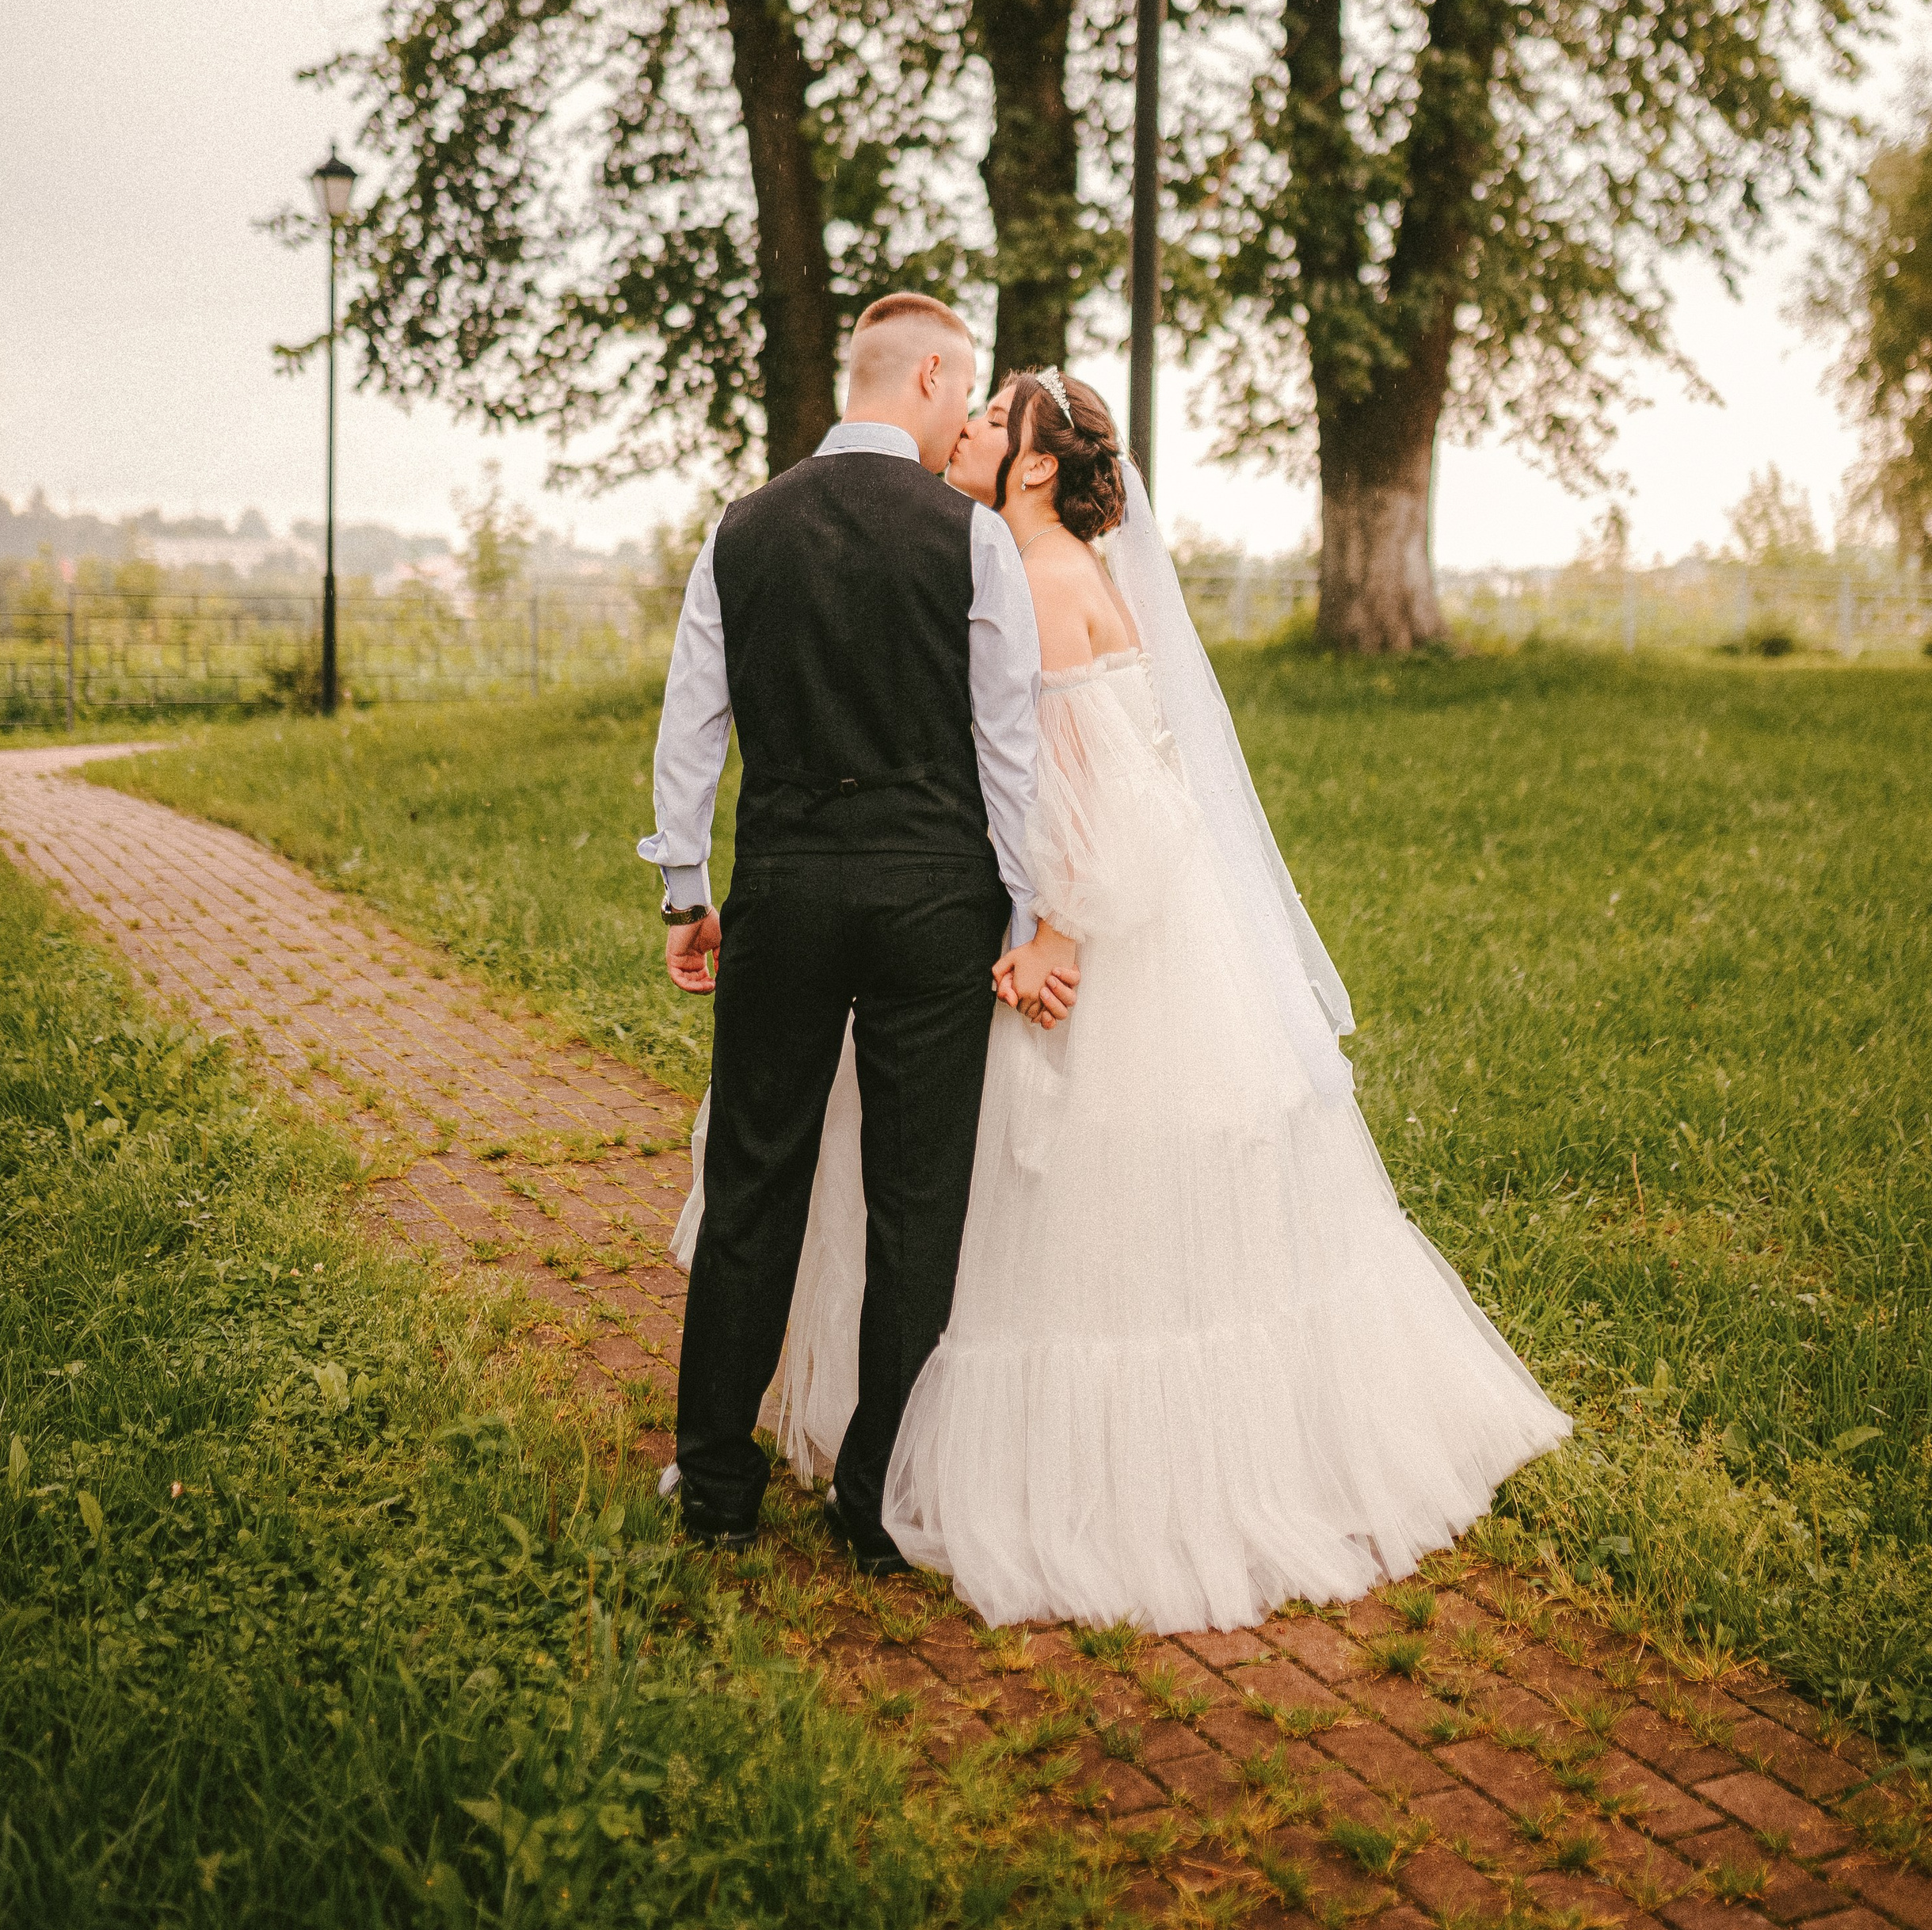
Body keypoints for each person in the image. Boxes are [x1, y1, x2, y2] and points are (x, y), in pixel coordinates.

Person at [673, 364, 1570, 1632]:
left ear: (1037, 465)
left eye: (993, 422)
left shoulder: (1034, 578)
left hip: (1075, 927)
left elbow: (1073, 782)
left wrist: (1056, 930)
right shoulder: (1067, 572)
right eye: (972, 410)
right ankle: (888, 1472)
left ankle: (977, 1472)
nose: (970, 429)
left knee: (1028, 1206)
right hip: (1123, 913)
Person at [639, 294, 1079, 1572]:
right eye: (967, 394)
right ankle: (872, 1501)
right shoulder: (972, 539)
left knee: (753, 1183)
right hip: (934, 903)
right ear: (933, 376)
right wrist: (1024, 910)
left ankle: (717, 1485)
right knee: (917, 1198)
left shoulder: (741, 530)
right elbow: (1008, 752)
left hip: (785, 890)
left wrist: (686, 892)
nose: (964, 424)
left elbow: (691, 732)